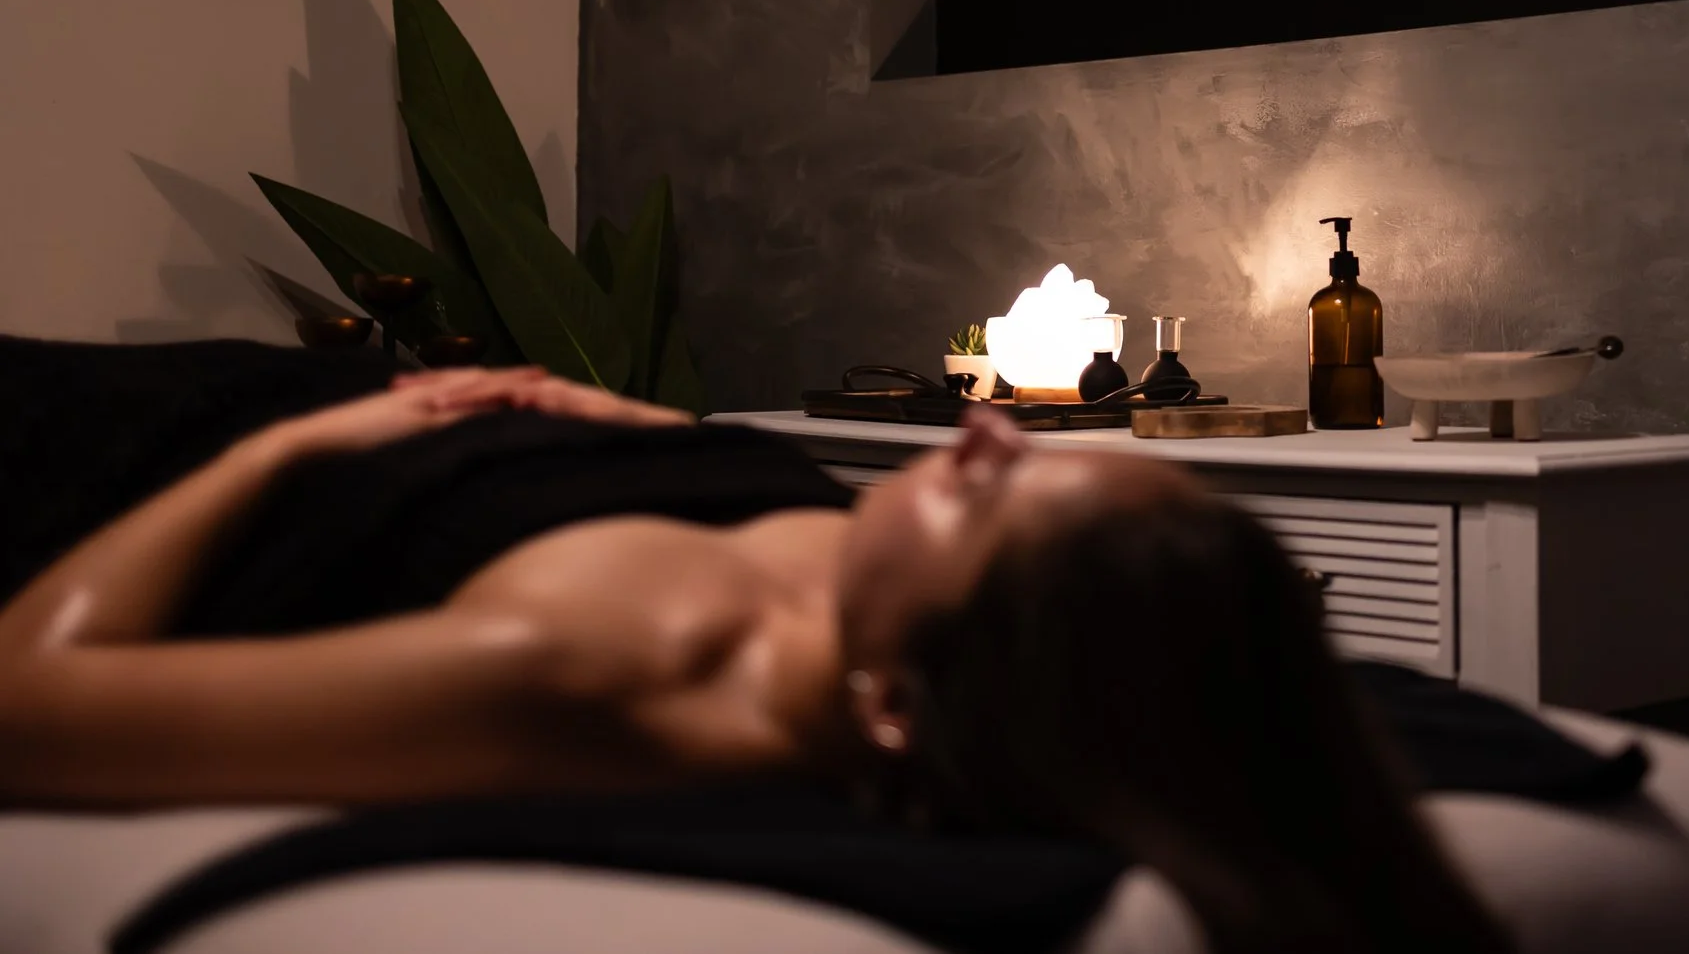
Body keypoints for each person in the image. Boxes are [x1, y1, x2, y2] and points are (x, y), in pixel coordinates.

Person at [0, 368, 1508, 954]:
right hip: (445, 416)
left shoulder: (587, 666)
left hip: (155, 467)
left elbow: (28, 696)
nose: (985, 429)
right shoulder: (916, 610)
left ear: (892, 709)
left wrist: (291, 442)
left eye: (984, 483)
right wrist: (616, 418)